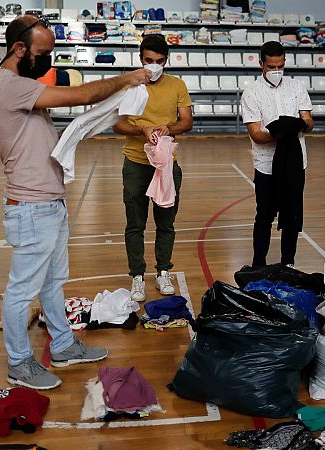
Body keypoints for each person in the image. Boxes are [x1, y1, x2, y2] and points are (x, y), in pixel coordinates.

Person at [0, 15, 150, 390]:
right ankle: (19, 362)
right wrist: (127, 79)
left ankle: (62, 345)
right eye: (43, 53)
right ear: (19, 49)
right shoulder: (9, 86)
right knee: (22, 290)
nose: (48, 60)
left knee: (53, 282)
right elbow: (82, 96)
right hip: (30, 208)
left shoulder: (23, 84)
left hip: (49, 204)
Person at [113, 35, 193, 302]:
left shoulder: (177, 85)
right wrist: (142, 129)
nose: (154, 66)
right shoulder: (129, 86)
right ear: (140, 59)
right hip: (135, 162)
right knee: (135, 223)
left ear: (166, 61)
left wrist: (168, 127)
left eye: (160, 61)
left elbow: (187, 122)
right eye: (149, 60)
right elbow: (118, 125)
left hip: (167, 164)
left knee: (165, 222)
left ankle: (163, 272)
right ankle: (137, 276)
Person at [240, 41, 313, 267]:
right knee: (264, 216)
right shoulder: (251, 93)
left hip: (295, 163)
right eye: (271, 67)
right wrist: (281, 132)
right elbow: (256, 134)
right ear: (261, 64)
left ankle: (287, 263)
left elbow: (308, 121)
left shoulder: (297, 87)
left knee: (292, 215)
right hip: (266, 165)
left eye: (280, 66)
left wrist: (300, 125)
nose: (276, 71)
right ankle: (258, 264)